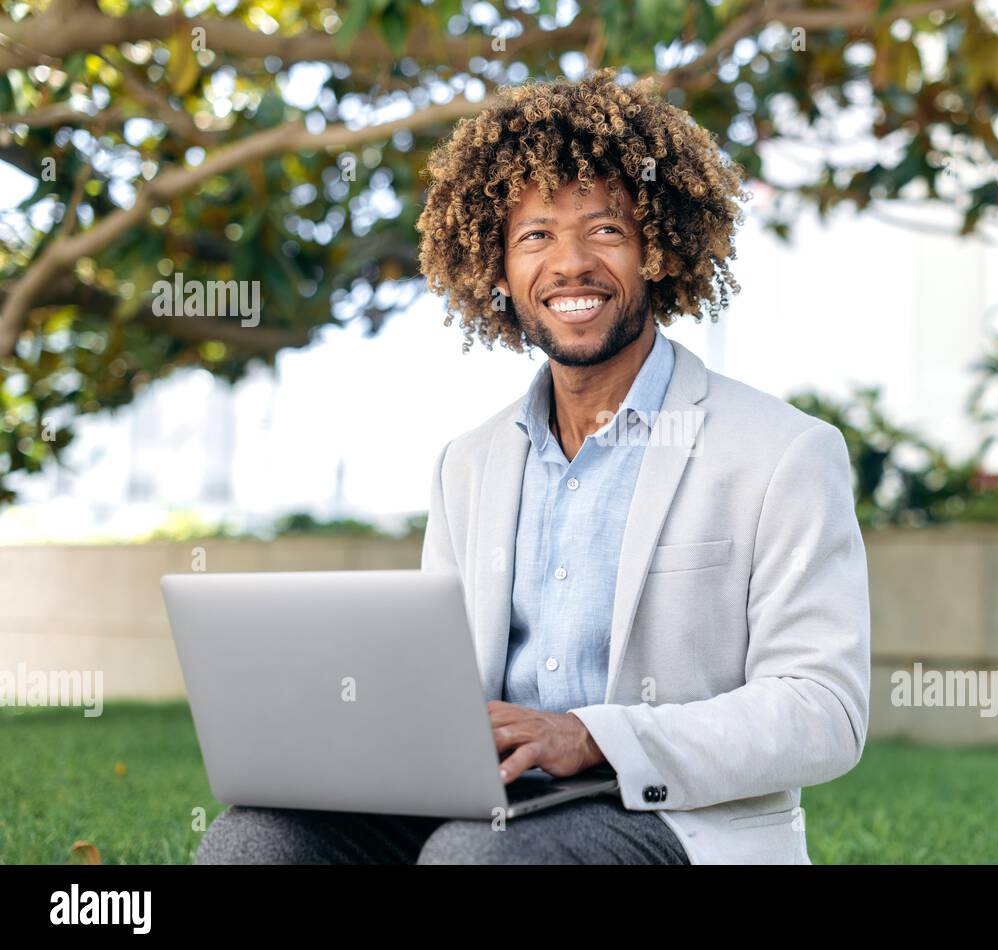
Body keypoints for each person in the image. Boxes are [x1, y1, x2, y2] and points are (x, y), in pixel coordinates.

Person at [197, 68, 870, 865]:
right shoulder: (468, 464)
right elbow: (440, 683)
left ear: (658, 248)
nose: (571, 264)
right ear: (498, 266)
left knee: (473, 858)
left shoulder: (781, 451)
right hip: (489, 799)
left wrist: (591, 735)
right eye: (536, 236)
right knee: (253, 841)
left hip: (675, 818)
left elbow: (824, 710)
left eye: (606, 230)